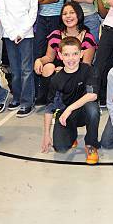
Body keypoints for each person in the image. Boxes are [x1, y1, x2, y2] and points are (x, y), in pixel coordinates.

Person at [40, 37, 101, 165]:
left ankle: (91, 145)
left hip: (84, 112)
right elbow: (49, 107)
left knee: (93, 109)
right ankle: (71, 135)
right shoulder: (56, 79)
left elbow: (92, 95)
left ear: (81, 54)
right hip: (66, 116)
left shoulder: (88, 70)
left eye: (75, 54)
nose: (71, 58)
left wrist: (69, 108)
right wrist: (46, 134)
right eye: (66, 55)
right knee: (61, 148)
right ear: (60, 56)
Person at [0, 0, 38, 117]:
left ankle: (27, 101)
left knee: (26, 69)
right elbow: (2, 10)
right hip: (9, 33)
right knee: (14, 69)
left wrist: (22, 31)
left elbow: (33, 10)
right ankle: (17, 97)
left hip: (26, 34)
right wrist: (12, 32)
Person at [34, 1, 97, 78]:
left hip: (78, 72)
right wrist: (39, 60)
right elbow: (49, 57)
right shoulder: (55, 35)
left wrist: (65, 70)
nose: (68, 16)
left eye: (72, 13)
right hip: (58, 70)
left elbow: (86, 65)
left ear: (79, 15)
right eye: (64, 14)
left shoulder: (88, 38)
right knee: (48, 68)